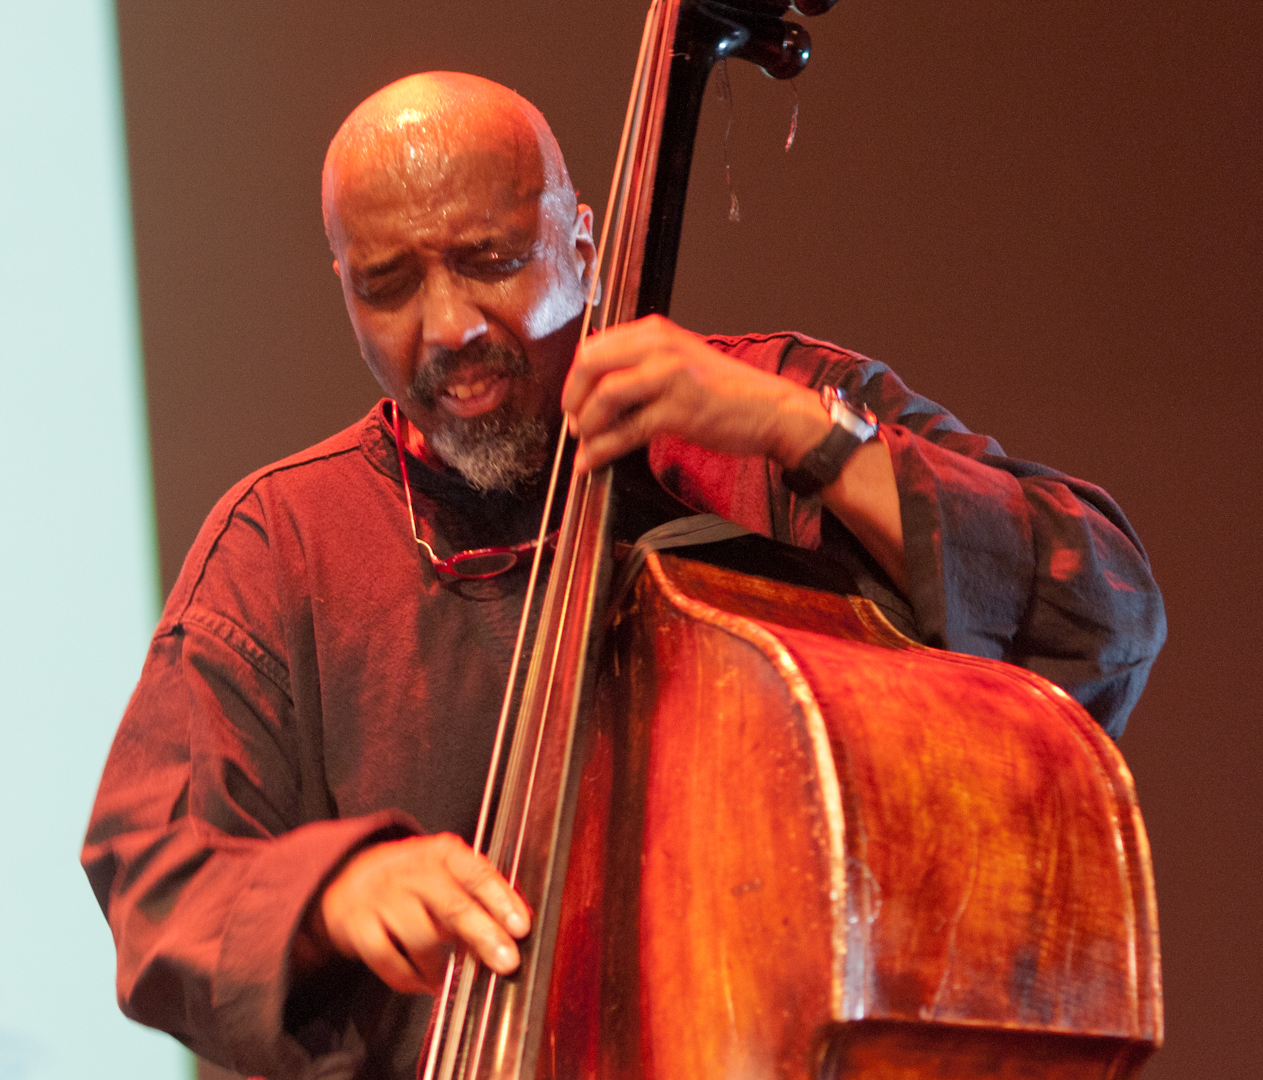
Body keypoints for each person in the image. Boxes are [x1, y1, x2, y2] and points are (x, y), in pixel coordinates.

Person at [82, 72, 1165, 1080]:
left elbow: (1102, 615)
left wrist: (813, 439)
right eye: (389, 286)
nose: (451, 325)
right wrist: (333, 889)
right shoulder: (286, 543)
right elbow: (152, 875)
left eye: (494, 260)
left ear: (583, 240)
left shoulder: (772, 418)